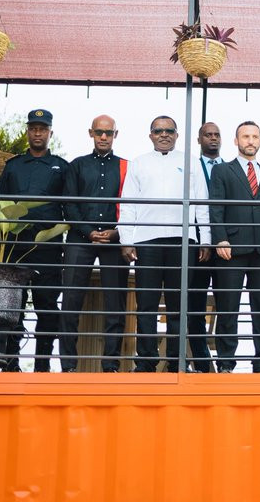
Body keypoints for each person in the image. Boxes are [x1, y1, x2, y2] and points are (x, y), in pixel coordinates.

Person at [119, 116, 209, 372]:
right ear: (151, 135)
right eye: (158, 131)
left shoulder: (191, 161)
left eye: (169, 130)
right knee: (146, 303)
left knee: (178, 305)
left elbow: (202, 203)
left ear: (177, 135)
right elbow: (128, 204)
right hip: (146, 241)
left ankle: (177, 361)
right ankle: (146, 361)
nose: (164, 134)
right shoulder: (139, 163)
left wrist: (205, 239)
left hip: (183, 241)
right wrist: (126, 239)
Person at [209, 121, 260, 373]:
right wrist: (220, 239)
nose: (250, 141)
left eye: (254, 136)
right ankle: (225, 363)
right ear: (236, 141)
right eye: (245, 137)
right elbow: (216, 207)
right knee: (228, 307)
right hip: (231, 249)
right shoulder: (222, 170)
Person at [0, 109, 70, 371]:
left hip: (48, 248)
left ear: (50, 133)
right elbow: (0, 206)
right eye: (33, 128)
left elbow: (69, 208)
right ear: (27, 132)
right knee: (13, 306)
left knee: (47, 306)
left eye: (43, 129)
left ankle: (42, 366)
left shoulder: (62, 166)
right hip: (15, 246)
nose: (38, 133)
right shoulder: (13, 166)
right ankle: (10, 364)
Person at [59, 115, 129, 373]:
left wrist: (117, 233)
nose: (103, 137)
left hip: (115, 240)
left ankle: (110, 365)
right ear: (91, 133)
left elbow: (133, 206)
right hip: (80, 238)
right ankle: (68, 365)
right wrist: (89, 232)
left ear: (115, 135)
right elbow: (69, 204)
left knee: (116, 303)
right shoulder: (77, 165)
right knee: (70, 301)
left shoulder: (126, 167)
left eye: (108, 133)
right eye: (99, 132)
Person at [185, 121, 224, 372]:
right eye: (207, 135)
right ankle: (202, 362)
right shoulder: (190, 167)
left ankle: (226, 361)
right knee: (195, 305)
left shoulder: (231, 168)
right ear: (199, 139)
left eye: (216, 134)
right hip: (197, 245)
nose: (213, 138)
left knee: (226, 305)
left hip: (225, 245)